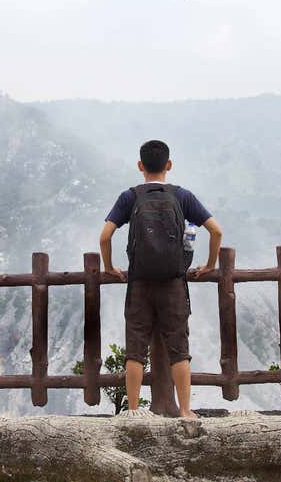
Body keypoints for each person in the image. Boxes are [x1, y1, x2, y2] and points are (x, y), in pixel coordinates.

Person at [99, 140, 222, 419]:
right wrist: (210, 264)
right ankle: (186, 412)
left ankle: (132, 412)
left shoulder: (129, 197)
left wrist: (108, 266)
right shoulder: (182, 196)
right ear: (169, 165)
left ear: (140, 166)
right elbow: (216, 231)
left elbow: (105, 236)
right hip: (174, 283)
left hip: (140, 283)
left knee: (135, 349)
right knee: (179, 349)